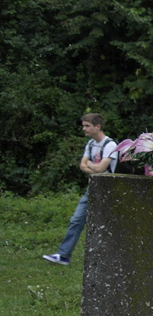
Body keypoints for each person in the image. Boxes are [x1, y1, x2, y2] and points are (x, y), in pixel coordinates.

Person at [43, 113, 118, 265]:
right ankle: (64, 255)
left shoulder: (110, 145)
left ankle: (112, 258)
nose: (83, 129)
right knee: (77, 220)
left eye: (87, 126)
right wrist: (93, 167)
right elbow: (83, 166)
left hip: (108, 189)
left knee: (110, 224)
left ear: (98, 127)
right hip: (92, 187)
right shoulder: (90, 144)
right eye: (83, 125)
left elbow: (100, 168)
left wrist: (91, 165)